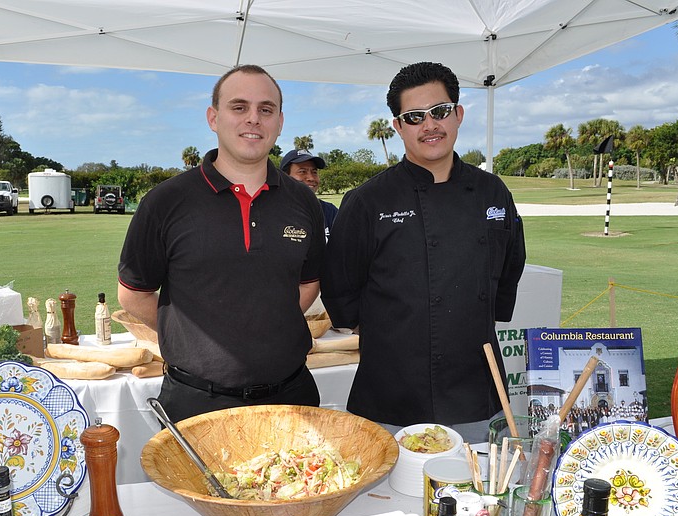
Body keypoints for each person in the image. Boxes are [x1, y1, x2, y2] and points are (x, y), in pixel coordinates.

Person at [320, 62, 526, 442]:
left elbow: (511, 264)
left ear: (458, 114)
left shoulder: (492, 192)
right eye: (414, 117)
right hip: (390, 394)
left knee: (478, 496)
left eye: (440, 111)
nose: (429, 125)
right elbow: (340, 288)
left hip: (477, 392)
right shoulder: (367, 201)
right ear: (398, 127)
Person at [117, 64, 326, 423]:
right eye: (238, 107)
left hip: (293, 397)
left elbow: (308, 283)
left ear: (279, 121)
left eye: (265, 109)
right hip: (196, 402)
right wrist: (194, 336)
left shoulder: (303, 201)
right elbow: (133, 294)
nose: (253, 119)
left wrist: (263, 323)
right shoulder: (166, 202)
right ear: (213, 118)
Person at [280, 149, 338, 238]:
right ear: (284, 177)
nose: (311, 178)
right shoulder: (272, 212)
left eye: (314, 172)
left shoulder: (329, 212)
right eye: (302, 172)